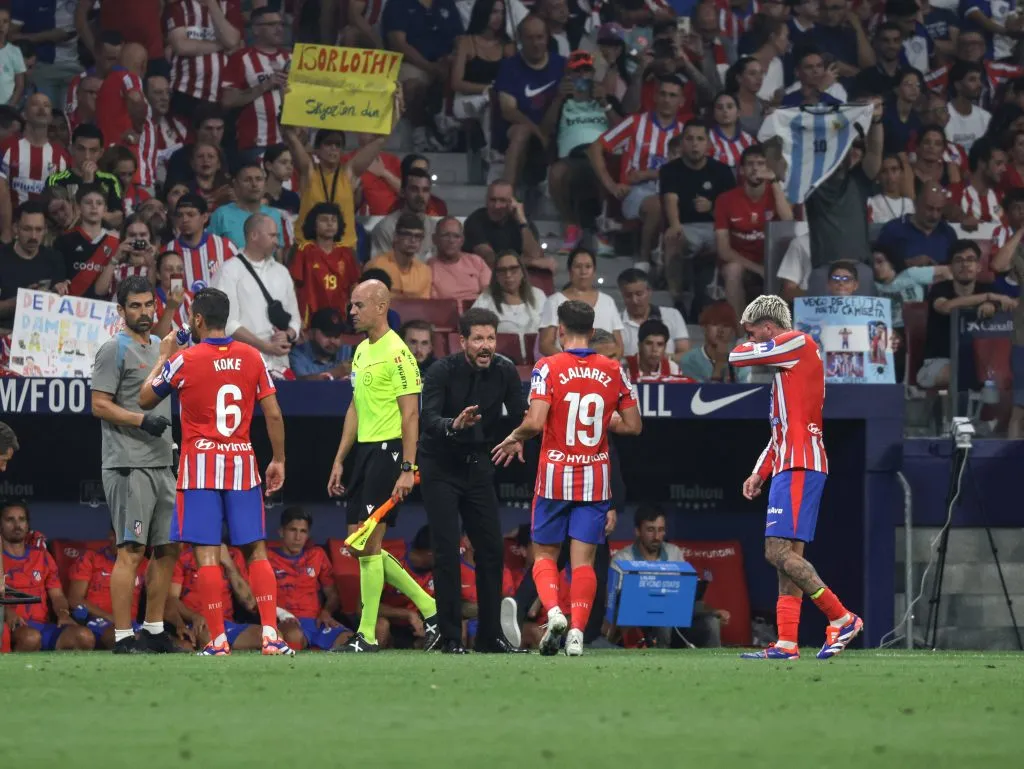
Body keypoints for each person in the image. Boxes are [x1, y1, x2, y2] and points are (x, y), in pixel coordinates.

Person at [139, 286, 294, 656]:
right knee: (256, 551)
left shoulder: (185, 359)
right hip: (242, 463)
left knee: (207, 556)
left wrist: (163, 356)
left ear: (196, 319)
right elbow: (273, 413)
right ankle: (271, 635)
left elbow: (145, 398)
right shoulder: (252, 356)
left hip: (200, 468)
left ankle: (219, 640)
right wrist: (279, 459)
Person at [492, 300, 642, 656]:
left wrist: (516, 436)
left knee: (544, 554)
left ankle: (555, 611)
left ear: (560, 330)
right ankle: (576, 634)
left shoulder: (547, 366)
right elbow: (634, 425)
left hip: (556, 476)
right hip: (594, 477)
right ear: (592, 331)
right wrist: (602, 418)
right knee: (584, 562)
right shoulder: (614, 369)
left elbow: (534, 422)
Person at [729, 294, 862, 660]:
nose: (750, 340)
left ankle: (841, 616)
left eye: (753, 333)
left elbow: (737, 356)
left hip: (800, 466)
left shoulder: (799, 342)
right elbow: (779, 435)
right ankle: (787, 642)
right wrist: (759, 473)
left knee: (776, 551)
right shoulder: (785, 376)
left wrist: (752, 347)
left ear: (770, 329)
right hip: (791, 463)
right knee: (789, 557)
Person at [326, 279, 440, 653]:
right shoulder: (360, 351)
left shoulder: (399, 353)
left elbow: (411, 415)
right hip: (364, 454)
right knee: (361, 546)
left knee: (368, 544)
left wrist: (408, 467)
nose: (352, 311)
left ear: (380, 306)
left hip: (391, 453)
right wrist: (340, 458)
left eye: (358, 305)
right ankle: (430, 607)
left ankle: (368, 635)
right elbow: (355, 407)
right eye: (351, 305)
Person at [418, 307, 529, 653]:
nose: (486, 346)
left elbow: (522, 413)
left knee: (492, 550)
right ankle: (450, 637)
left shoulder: (506, 371)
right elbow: (428, 419)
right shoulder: (441, 371)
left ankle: (490, 636)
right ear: (462, 340)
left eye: (491, 338)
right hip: (440, 466)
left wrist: (520, 437)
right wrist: (454, 424)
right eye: (478, 338)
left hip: (479, 464)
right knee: (448, 551)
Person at [89, 275, 180, 653]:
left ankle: (155, 629)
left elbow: (165, 341)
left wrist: (174, 308)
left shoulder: (159, 345)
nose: (144, 312)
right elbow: (98, 404)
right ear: (121, 310)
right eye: (136, 306)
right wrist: (140, 420)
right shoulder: (114, 349)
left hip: (162, 461)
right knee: (131, 550)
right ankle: (125, 636)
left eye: (148, 305)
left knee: (167, 547)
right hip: (129, 463)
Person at [589, 74, 687, 271]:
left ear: (681, 101)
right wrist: (611, 185)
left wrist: (651, 173)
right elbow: (594, 149)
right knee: (657, 205)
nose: (667, 100)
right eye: (663, 94)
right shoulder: (635, 123)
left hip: (674, 191)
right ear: (655, 97)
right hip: (637, 193)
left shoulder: (686, 133)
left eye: (673, 96)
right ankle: (643, 259)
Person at [212, 212, 301, 376]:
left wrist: (287, 335)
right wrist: (265, 346)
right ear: (254, 235)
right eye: (272, 235)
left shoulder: (282, 272)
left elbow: (295, 319)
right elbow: (227, 323)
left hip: (280, 366)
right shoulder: (229, 271)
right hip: (242, 366)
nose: (277, 242)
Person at [1, 500, 95, 651]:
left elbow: (57, 595)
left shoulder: (41, 556)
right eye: (10, 520)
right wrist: (5, 613)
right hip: (14, 627)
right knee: (30, 638)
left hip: (43, 627)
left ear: (27, 524)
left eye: (21, 519)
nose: (17, 525)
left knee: (84, 636)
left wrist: (63, 613)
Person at [916, 240, 1009, 390]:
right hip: (939, 362)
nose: (965, 265)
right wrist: (986, 297)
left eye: (970, 260)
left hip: (979, 361)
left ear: (979, 266)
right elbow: (946, 307)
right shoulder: (940, 289)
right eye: (959, 260)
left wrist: (992, 305)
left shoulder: (988, 289)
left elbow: (1009, 305)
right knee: (964, 373)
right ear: (950, 268)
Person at [714, 144, 793, 315]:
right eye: (750, 164)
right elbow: (723, 250)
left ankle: (779, 330)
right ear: (741, 170)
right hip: (743, 262)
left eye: (760, 164)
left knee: (791, 270)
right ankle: (740, 332)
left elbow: (788, 221)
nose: (755, 168)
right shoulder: (725, 200)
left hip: (773, 261)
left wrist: (774, 183)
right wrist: (758, 269)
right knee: (732, 270)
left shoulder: (777, 195)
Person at [269, 507, 352, 651]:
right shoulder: (267, 558)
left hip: (317, 622)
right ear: (281, 532)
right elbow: (255, 598)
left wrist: (326, 612)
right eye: (292, 530)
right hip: (287, 622)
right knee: (294, 635)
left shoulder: (317, 555)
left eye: (303, 531)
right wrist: (279, 614)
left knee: (350, 640)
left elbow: (332, 595)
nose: (297, 537)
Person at [220, 6, 290, 160]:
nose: (278, 29)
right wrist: (265, 85)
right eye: (272, 25)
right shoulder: (240, 58)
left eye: (281, 24)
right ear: (256, 30)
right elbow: (227, 101)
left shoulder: (292, 58)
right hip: (255, 143)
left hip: (289, 141)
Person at [0, 92, 70, 241]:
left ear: (50, 117)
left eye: (46, 105)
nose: (42, 109)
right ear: (24, 114)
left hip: (46, 233)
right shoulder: (6, 148)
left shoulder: (61, 155)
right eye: (35, 104)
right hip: (10, 230)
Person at [538, 247, 624, 358]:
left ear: (594, 271)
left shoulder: (608, 301)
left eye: (588, 266)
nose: (583, 272)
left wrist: (604, 367)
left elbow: (619, 347)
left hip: (602, 371)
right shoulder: (554, 301)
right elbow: (545, 345)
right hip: (567, 370)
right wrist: (575, 363)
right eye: (578, 266)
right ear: (569, 270)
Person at [66, 534, 148, 650]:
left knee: (170, 644)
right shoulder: (91, 558)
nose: (128, 545)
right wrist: (109, 617)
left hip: (131, 624)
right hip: (99, 621)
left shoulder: (143, 563)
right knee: (125, 639)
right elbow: (75, 599)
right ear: (112, 537)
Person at [289, 202, 359, 325]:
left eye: (333, 220)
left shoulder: (346, 253)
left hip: (339, 318)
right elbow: (293, 286)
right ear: (314, 225)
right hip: (309, 319)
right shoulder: (304, 250)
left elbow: (354, 286)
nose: (330, 223)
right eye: (324, 220)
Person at [45, 123, 124, 230]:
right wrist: (88, 183)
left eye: (93, 150)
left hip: (101, 241)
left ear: (101, 153)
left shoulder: (111, 180)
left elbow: (117, 218)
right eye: (81, 149)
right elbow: (63, 218)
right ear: (72, 149)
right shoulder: (56, 180)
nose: (87, 156)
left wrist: (80, 213)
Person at [0, 200, 68, 323]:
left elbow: (59, 309)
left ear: (46, 230)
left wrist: (59, 293)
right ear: (15, 228)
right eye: (27, 229)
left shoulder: (55, 258)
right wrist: (24, 300)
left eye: (39, 229)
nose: (33, 236)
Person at [462, 180, 551, 271]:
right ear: (486, 200)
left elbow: (535, 255)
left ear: (512, 202)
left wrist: (522, 222)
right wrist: (532, 263)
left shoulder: (522, 222)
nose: (496, 206)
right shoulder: (475, 220)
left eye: (502, 200)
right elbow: (490, 260)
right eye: (493, 200)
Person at [54, 183, 120, 298]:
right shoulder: (63, 240)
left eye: (99, 203)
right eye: (88, 203)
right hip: (71, 306)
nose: (94, 207)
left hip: (105, 307)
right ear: (78, 207)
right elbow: (57, 276)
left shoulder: (116, 241)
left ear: (105, 209)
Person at [209, 162, 291, 252]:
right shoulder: (221, 214)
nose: (254, 184)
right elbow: (211, 251)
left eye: (259, 179)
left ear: (265, 184)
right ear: (236, 184)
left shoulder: (274, 214)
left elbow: (278, 254)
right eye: (247, 180)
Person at [617, 268, 689, 361]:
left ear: (649, 292)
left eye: (639, 294)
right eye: (628, 296)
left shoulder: (672, 315)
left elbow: (685, 354)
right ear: (621, 295)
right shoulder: (615, 322)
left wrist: (659, 360)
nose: (634, 300)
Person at [470, 249, 548, 335]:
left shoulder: (538, 295)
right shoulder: (486, 298)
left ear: (522, 272)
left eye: (513, 269)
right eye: (502, 270)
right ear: (496, 275)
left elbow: (551, 329)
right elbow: (471, 328)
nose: (508, 275)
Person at [370, 167, 438, 259]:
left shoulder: (435, 228)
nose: (420, 195)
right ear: (402, 192)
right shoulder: (386, 228)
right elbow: (380, 269)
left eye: (425, 190)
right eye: (414, 189)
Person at [363, 213, 434, 299]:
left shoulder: (425, 272)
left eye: (418, 236)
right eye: (407, 234)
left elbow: (423, 307)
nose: (413, 240)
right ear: (396, 237)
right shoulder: (376, 266)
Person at [680, 300, 751, 383]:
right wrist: (719, 365)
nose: (720, 330)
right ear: (704, 328)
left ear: (732, 332)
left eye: (726, 325)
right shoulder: (690, 360)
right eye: (715, 324)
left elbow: (745, 392)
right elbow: (700, 393)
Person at [429, 217, 492, 301]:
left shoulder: (476, 261)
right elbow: (434, 305)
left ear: (462, 241)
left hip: (478, 311)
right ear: (434, 239)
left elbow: (489, 294)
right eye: (445, 235)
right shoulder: (428, 268)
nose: (451, 240)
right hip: (446, 312)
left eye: (456, 236)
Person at [290, 307, 353, 381]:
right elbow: (300, 386)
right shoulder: (298, 355)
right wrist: (334, 373)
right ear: (312, 333)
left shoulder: (346, 351)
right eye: (327, 335)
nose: (333, 341)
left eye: (337, 336)